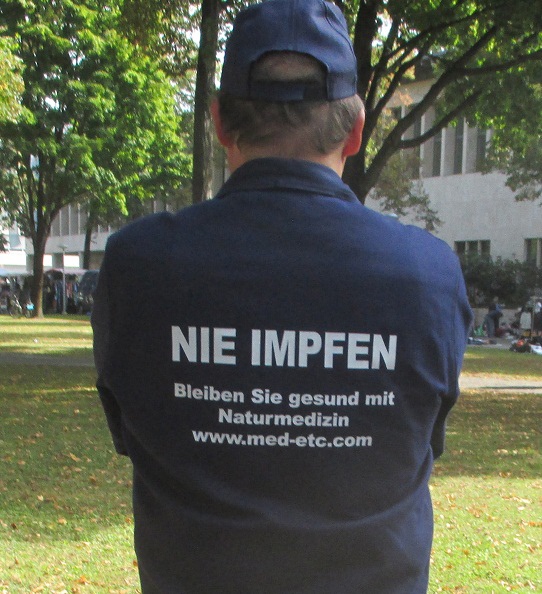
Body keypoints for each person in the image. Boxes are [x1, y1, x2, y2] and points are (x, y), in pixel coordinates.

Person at [92, 1, 473, 592]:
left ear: (220, 123)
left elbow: (131, 430)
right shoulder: (428, 274)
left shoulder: (137, 266)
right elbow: (424, 436)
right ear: (356, 130)